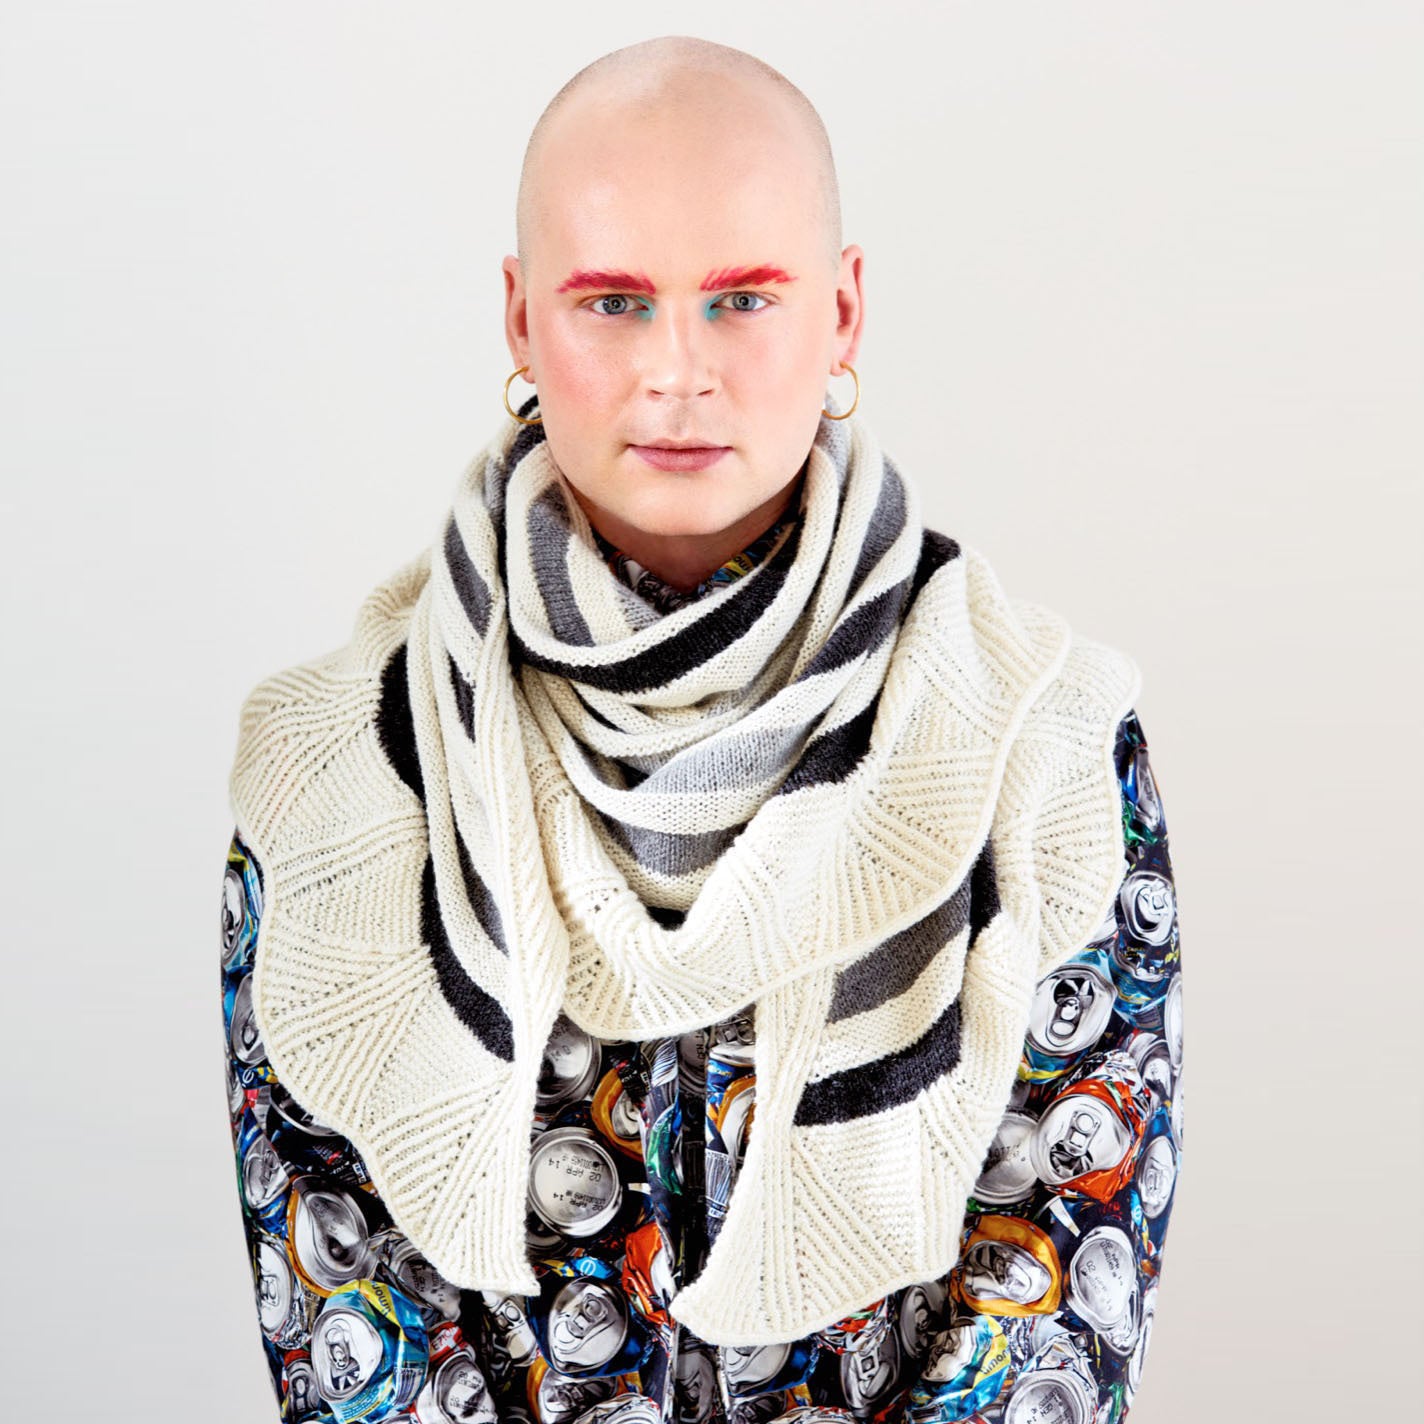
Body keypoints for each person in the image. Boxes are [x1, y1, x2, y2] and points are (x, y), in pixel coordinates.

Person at [220, 34, 1183, 1424]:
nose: (679, 370)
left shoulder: (1045, 742)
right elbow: (342, 1291)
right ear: (521, 321)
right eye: (614, 302)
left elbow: (1058, 1290)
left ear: (842, 315)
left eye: (741, 298)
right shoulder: (339, 775)